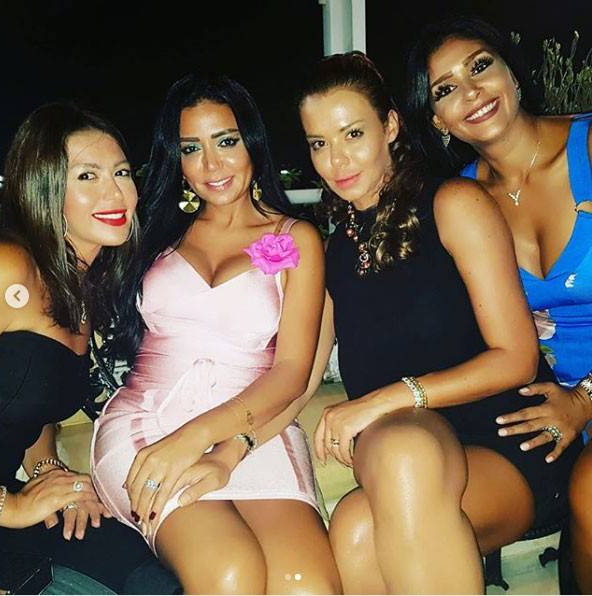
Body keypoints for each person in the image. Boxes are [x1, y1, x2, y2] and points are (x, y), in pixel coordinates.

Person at [296, 51, 584, 594]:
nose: (336, 159)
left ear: (390, 126)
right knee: (357, 525)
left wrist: (383, 401)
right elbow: (300, 372)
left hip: (504, 442)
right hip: (402, 452)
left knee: (397, 456)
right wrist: (232, 440)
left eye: (353, 134)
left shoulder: (453, 203)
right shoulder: (333, 249)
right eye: (318, 143)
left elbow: (517, 357)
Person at [91, 73, 341, 595]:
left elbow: (292, 371)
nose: (211, 165)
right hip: (151, 425)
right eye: (191, 148)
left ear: (252, 143)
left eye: (226, 141)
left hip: (253, 427)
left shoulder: (285, 241)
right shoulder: (155, 232)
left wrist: (206, 440)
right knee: (231, 572)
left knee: (306, 586)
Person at [406, 16, 592, 592]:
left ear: (512, 72)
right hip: (543, 412)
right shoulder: (458, 202)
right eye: (445, 89)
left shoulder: (588, 146)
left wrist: (585, 398)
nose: (471, 92)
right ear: (436, 120)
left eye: (480, 66)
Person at [0, 103, 157, 593]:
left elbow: (21, 399)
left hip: (10, 503)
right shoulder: (6, 267)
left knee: (152, 577)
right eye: (87, 175)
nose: (116, 192)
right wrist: (9, 506)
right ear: (42, 190)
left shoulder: (81, 287)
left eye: (121, 172)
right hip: (2, 511)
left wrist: (50, 473)